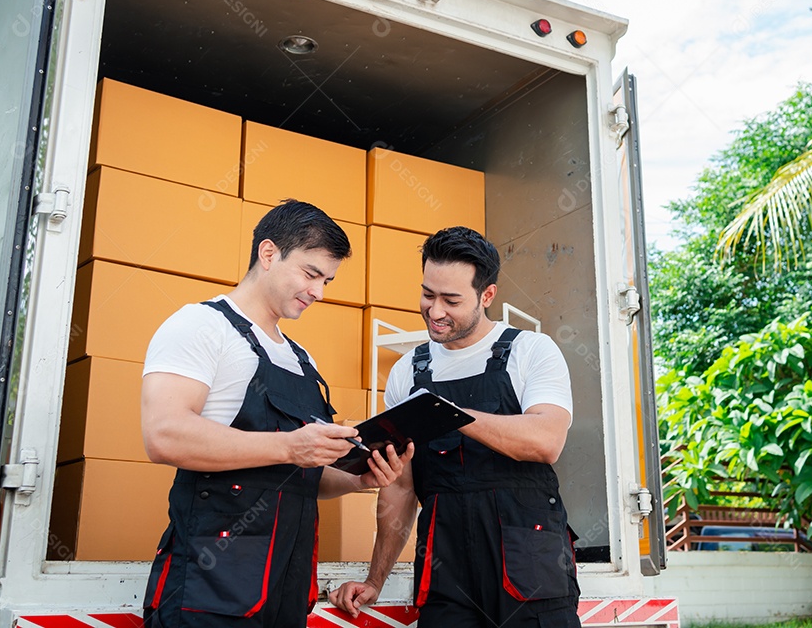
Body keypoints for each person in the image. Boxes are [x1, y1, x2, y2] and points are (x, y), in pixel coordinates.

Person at [140, 199, 412, 628]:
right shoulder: (200, 327)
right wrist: (289, 446)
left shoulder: (302, 360)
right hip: (208, 592)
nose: (319, 292)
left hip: (285, 591)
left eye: (327, 280)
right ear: (268, 253)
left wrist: (358, 478)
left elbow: (302, 475)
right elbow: (164, 435)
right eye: (310, 274)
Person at [330, 226, 580, 627]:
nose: (435, 311)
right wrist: (375, 579)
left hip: (529, 565)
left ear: (487, 295)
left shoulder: (530, 350)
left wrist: (448, 413)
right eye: (428, 295)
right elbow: (400, 487)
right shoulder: (408, 371)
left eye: (451, 300)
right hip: (445, 569)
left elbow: (545, 441)